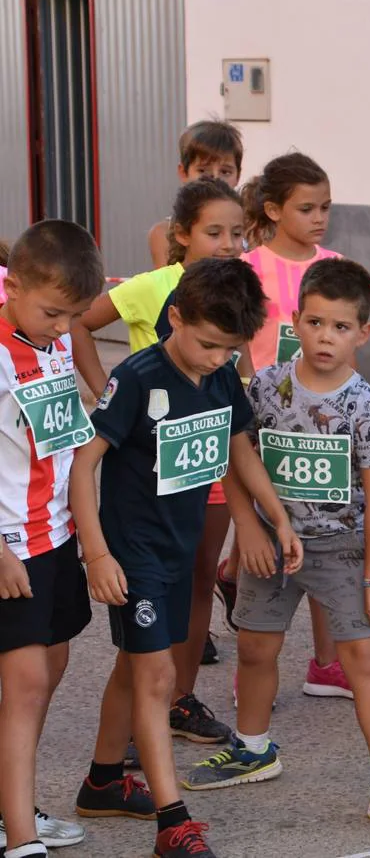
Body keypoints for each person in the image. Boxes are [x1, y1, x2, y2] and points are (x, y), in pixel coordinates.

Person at [183, 259, 370, 838]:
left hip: (340, 548)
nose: (327, 337)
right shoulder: (266, 386)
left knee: (365, 660)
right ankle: (253, 749)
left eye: (342, 327)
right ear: (294, 320)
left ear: (363, 334)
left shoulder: (365, 405)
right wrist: (247, 529)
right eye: (317, 323)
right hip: (268, 547)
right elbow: (236, 454)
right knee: (254, 649)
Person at [71, 258, 300, 858]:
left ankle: (101, 782)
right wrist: (96, 553)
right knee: (156, 674)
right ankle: (173, 823)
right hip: (135, 550)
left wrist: (275, 515)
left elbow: (238, 447)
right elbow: (84, 463)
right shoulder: (138, 377)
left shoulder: (220, 374)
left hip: (179, 543)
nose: (217, 358)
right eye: (206, 344)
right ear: (175, 317)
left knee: (135, 665)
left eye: (229, 349)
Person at [70, 179, 247, 750]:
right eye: (214, 231)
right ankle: (143, 749)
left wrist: (262, 514)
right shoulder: (152, 291)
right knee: (145, 652)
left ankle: (179, 700)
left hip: (203, 469)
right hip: (145, 484)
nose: (227, 243)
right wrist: (109, 399)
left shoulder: (234, 303)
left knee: (196, 580)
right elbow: (82, 326)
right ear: (182, 235)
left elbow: (239, 433)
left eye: (236, 233)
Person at [215, 152, 349, 700]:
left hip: (318, 424)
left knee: (318, 539)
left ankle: (325, 664)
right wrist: (251, 388)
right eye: (307, 208)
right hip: (264, 420)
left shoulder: (334, 262)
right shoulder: (252, 268)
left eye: (326, 207)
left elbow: (344, 342)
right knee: (265, 540)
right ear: (273, 209)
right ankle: (254, 663)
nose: (319, 217)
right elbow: (242, 340)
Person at [0, 221, 103, 857]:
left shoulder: (55, 338)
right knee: (27, 680)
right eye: (52, 313)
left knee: (54, 663)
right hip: (12, 544)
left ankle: (13, 800)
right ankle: (21, 837)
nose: (63, 328)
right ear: (12, 285)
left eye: (72, 316)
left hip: (58, 534)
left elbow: (66, 436)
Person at [148, 120, 244, 269]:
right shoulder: (163, 233)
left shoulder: (253, 231)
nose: (215, 178)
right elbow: (165, 287)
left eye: (225, 172)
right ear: (183, 172)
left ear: (238, 175)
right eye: (203, 171)